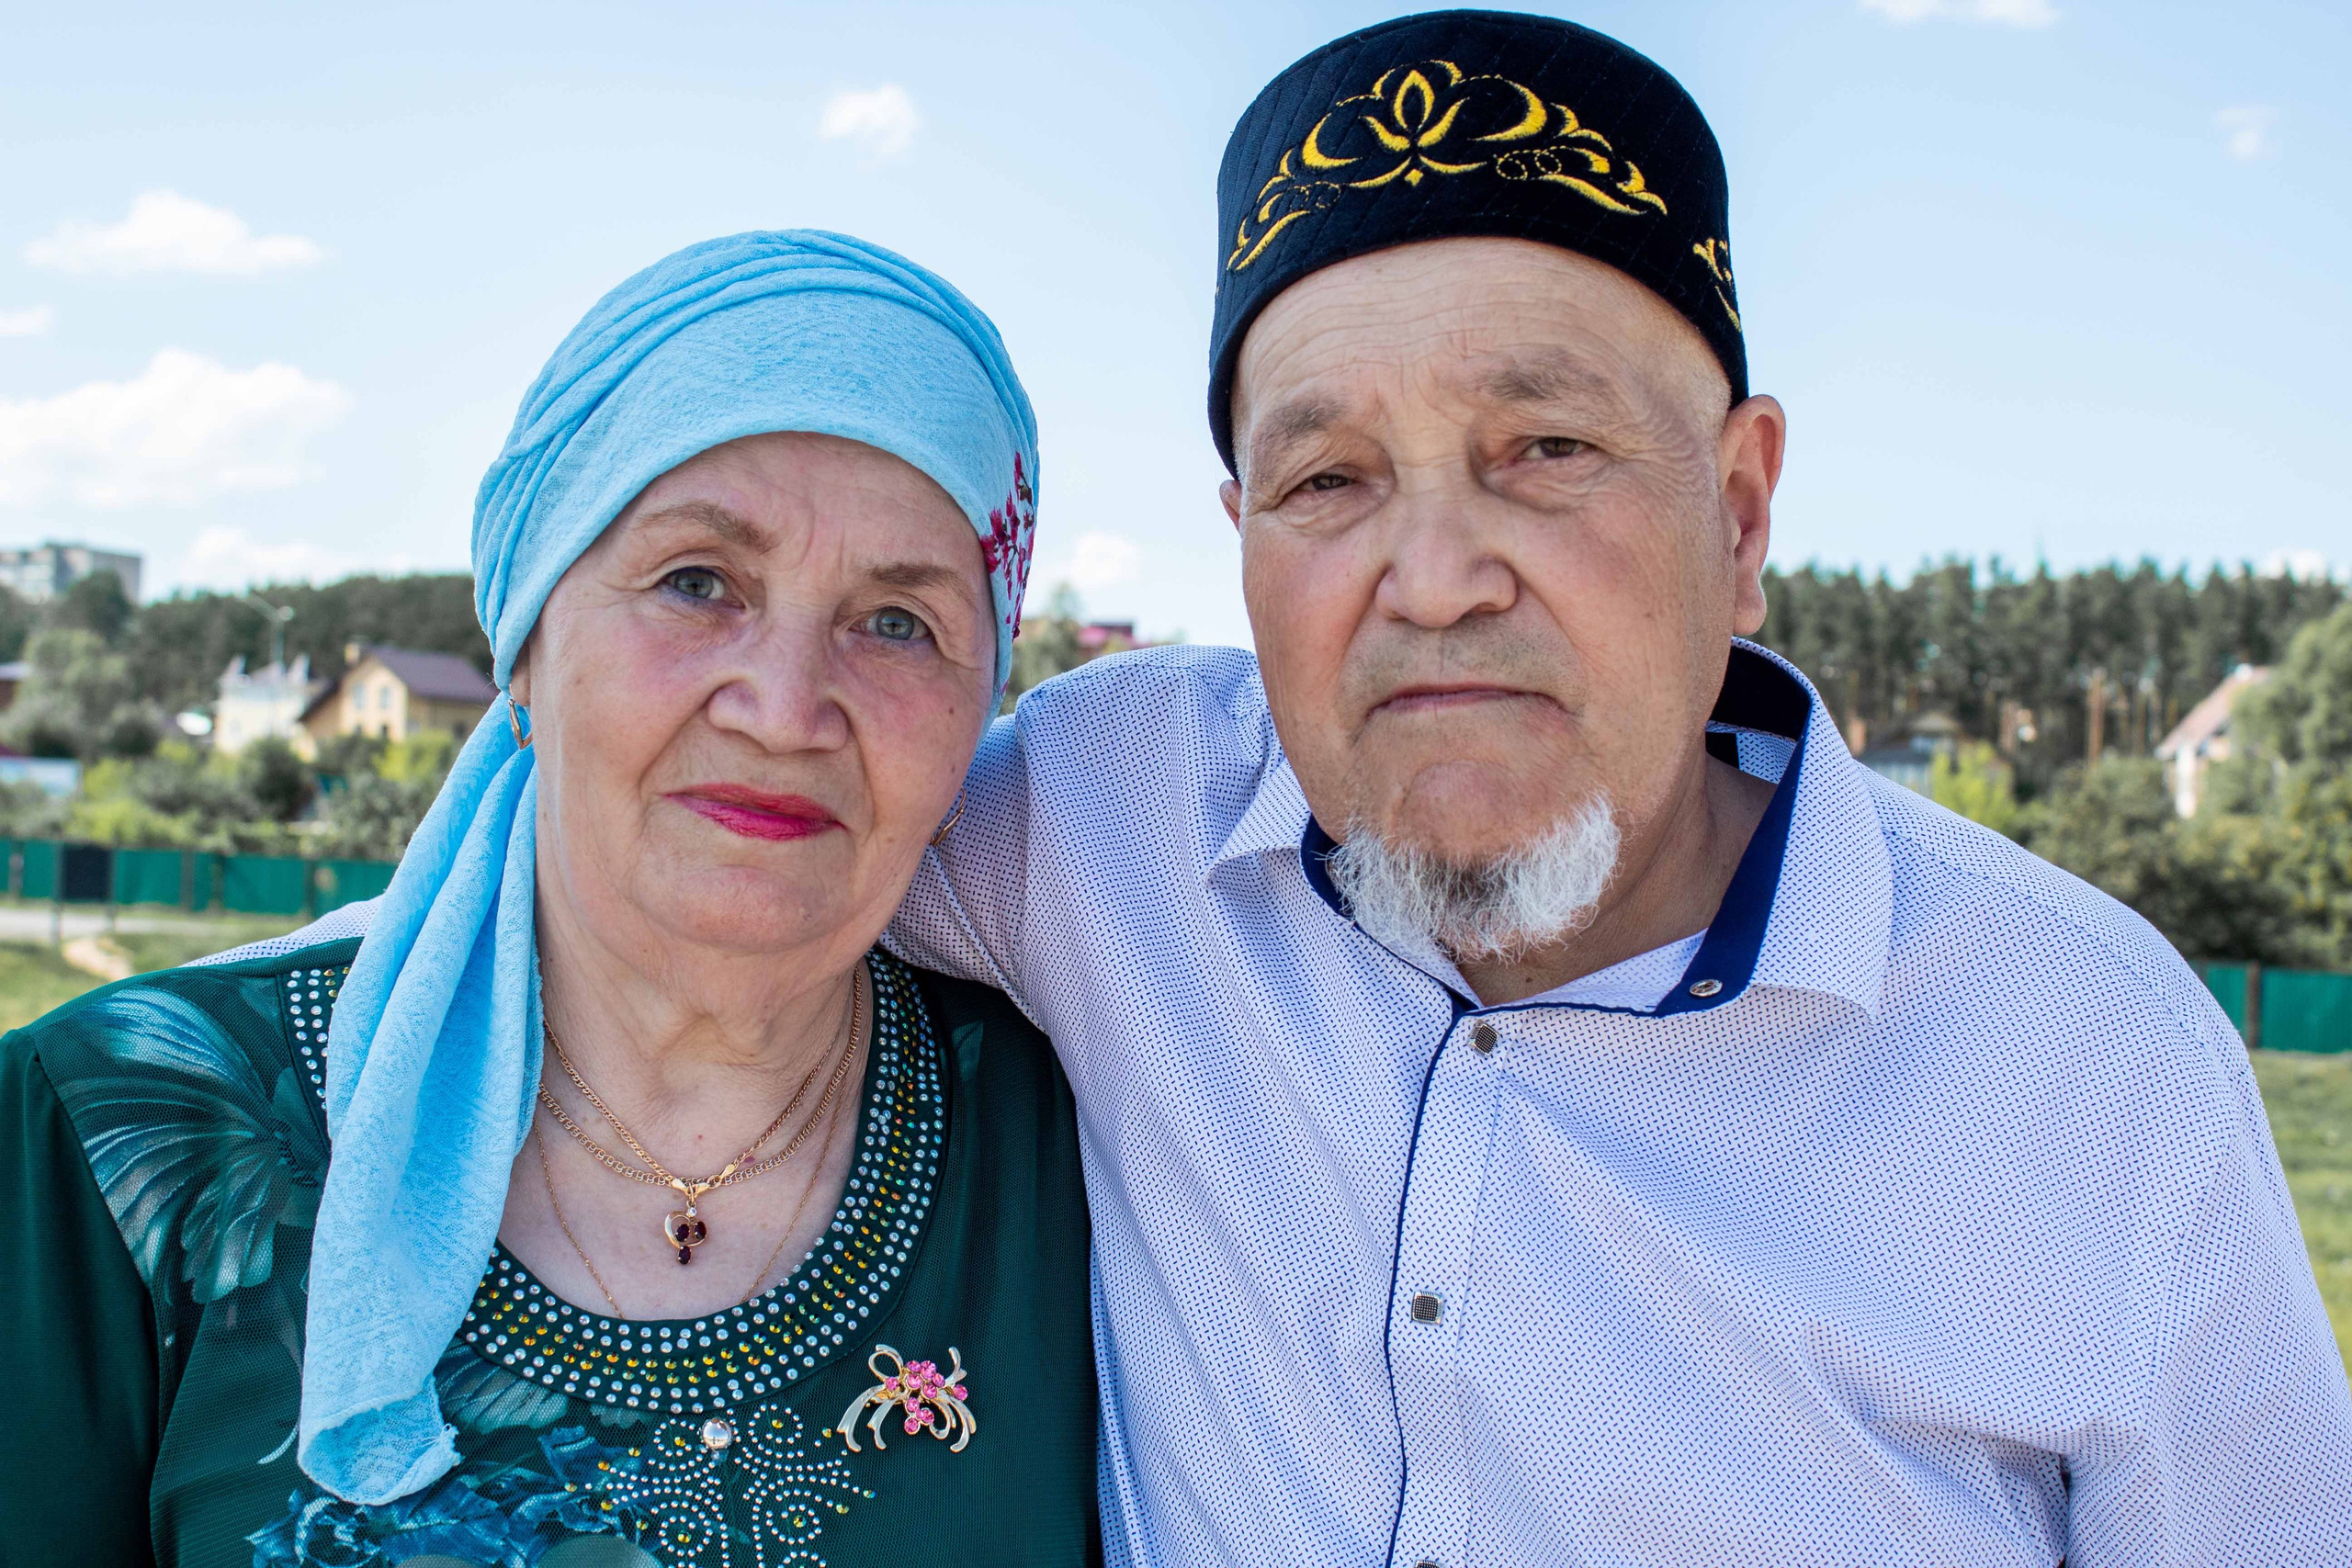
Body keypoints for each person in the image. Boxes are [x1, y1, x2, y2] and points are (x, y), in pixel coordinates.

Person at [880, 11, 2352, 1567]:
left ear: (1739, 511)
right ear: (1242, 533)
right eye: (1329, 481)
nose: (1433, 581)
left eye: (1548, 446)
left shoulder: (2095, 1073)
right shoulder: (1101, 820)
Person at [0, 232, 1097, 1567]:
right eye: (699, 582)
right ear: (525, 645)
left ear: (980, 706)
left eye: (898, 621)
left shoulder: (1080, 1146)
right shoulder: (118, 1137)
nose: (786, 706)